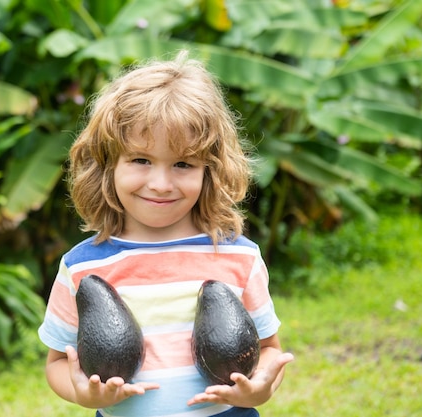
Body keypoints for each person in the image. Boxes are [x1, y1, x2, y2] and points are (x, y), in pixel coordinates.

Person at [37, 50, 294, 417]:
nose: (160, 184)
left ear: (211, 170)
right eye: (141, 160)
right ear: (108, 165)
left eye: (183, 164)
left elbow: (268, 349)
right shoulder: (81, 267)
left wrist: (258, 388)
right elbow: (58, 362)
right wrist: (84, 393)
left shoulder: (239, 257)